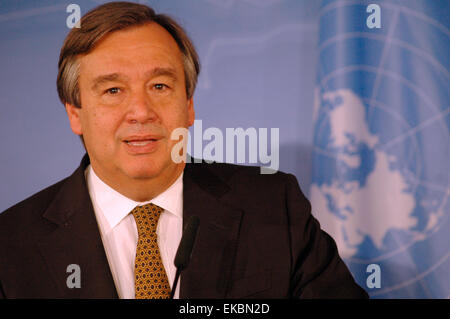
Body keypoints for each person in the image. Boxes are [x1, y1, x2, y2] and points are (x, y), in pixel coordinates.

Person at [0, 1, 368, 299]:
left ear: (188, 105)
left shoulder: (273, 204)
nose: (141, 111)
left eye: (160, 86)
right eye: (113, 91)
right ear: (75, 113)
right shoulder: (11, 245)